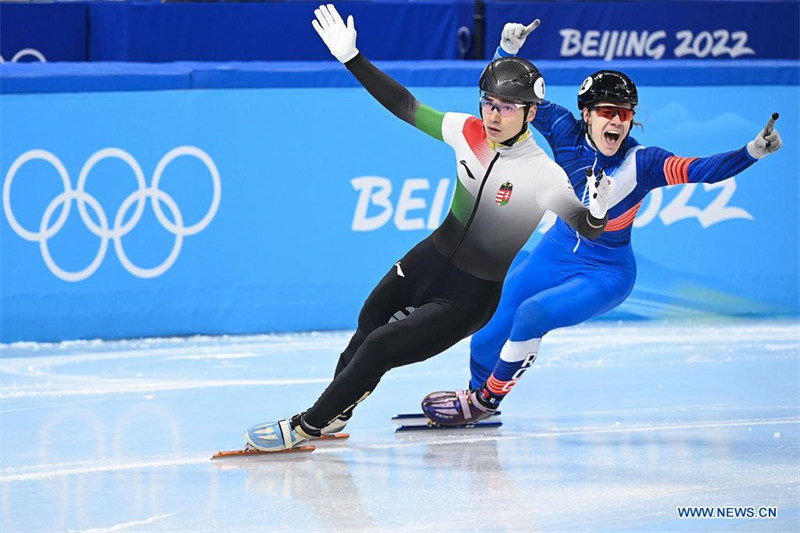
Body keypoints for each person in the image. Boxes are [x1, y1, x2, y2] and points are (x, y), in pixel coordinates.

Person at [244, 5, 611, 451]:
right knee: (368, 323)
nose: (494, 116)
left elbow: (586, 229)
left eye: (507, 108)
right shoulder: (467, 130)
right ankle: (337, 413)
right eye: (489, 104)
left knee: (379, 349)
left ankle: (307, 426)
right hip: (430, 257)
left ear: (530, 114)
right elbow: (406, 105)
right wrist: (352, 59)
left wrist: (597, 212)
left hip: (469, 295)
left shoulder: (544, 174)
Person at [422, 21, 783, 425]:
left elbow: (702, 170)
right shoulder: (561, 128)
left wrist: (752, 150)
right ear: (587, 115)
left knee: (532, 314)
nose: (617, 122)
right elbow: (507, 95)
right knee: (489, 328)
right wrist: (506, 49)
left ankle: (486, 401)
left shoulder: (643, 163)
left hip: (606, 270)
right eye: (608, 113)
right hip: (558, 248)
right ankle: (475, 393)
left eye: (625, 114)